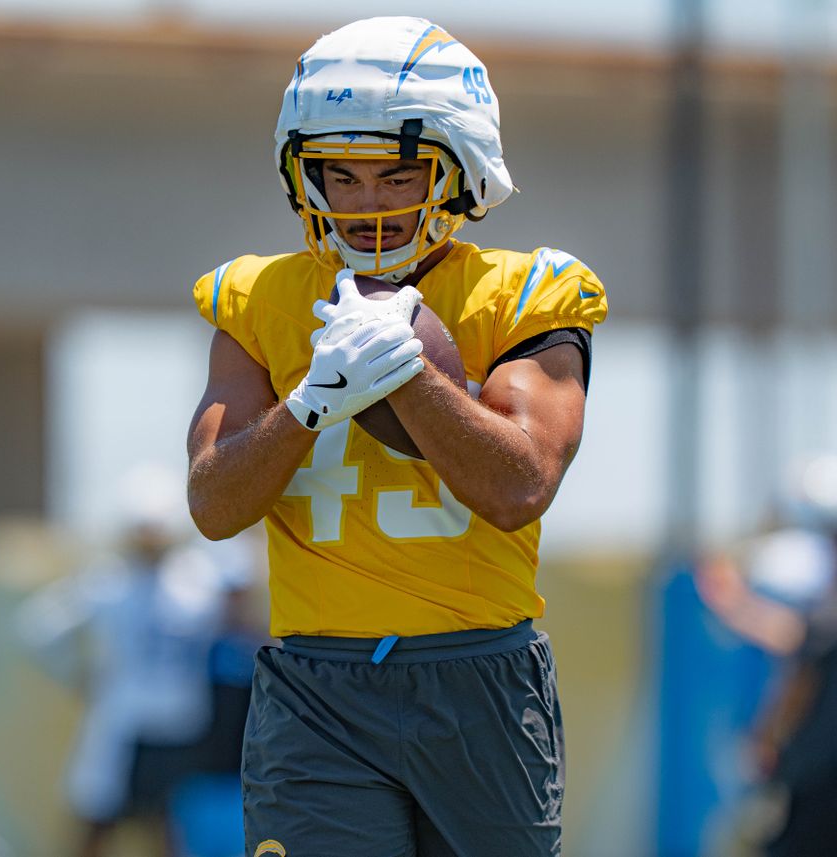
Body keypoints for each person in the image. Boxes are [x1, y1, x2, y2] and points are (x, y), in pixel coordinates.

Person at [185, 16, 608, 857]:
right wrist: (311, 401)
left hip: (479, 678)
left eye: (397, 174)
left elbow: (520, 485)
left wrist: (405, 373)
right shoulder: (257, 297)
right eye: (339, 175)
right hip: (316, 691)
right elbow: (213, 503)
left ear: (460, 169)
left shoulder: (526, 292)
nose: (365, 203)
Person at [15, 463, 230, 857]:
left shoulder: (190, 579)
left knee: (165, 827)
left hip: (171, 725)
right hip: (134, 723)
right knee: (103, 822)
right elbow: (40, 628)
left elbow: (39, 629)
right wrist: (80, 676)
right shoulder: (125, 581)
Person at [695, 453, 837, 857]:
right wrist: (736, 604)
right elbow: (799, 637)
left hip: (819, 781)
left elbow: (803, 672)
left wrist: (766, 741)